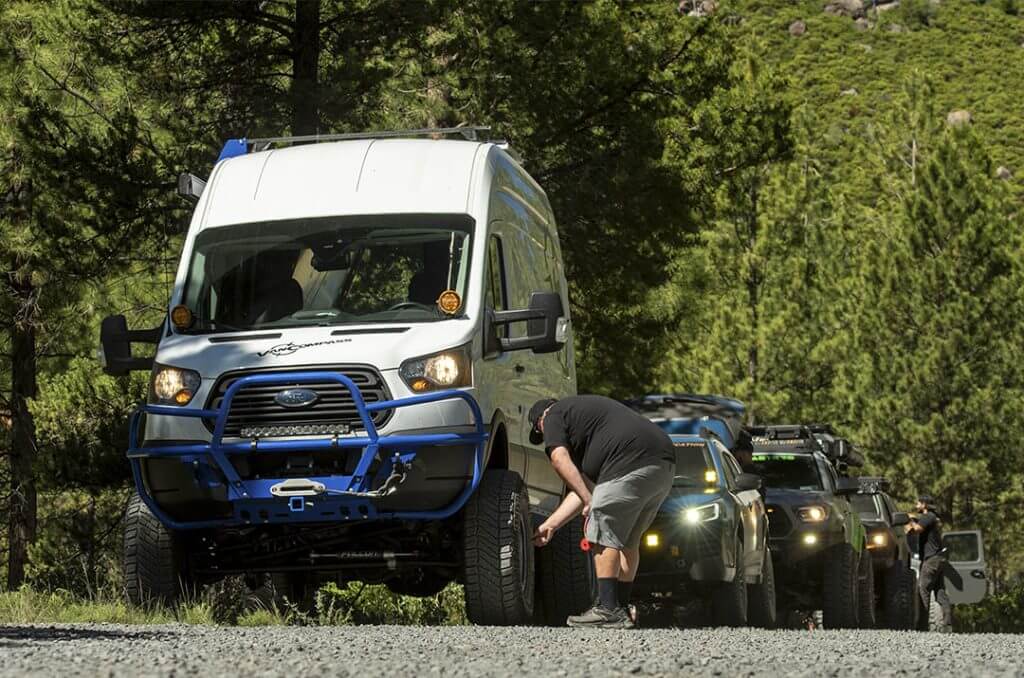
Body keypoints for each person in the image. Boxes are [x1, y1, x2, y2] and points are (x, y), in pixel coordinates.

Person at [529, 395, 676, 629]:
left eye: (541, 431)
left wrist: (591, 502)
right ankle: (621, 608)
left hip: (629, 462)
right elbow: (584, 490)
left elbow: (558, 459)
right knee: (627, 541)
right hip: (662, 465)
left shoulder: (554, 414)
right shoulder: (592, 424)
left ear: (541, 420)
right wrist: (552, 524)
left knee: (601, 532)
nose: (545, 435)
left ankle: (607, 609)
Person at [907, 494, 953, 632]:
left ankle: (922, 626)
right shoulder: (932, 518)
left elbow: (917, 529)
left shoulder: (928, 517)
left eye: (918, 503)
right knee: (940, 592)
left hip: (931, 559)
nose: (916, 506)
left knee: (923, 589)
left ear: (924, 505)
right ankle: (947, 625)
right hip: (938, 558)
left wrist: (908, 520)